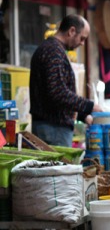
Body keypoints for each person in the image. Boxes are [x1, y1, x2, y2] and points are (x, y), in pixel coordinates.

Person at [29, 14, 103, 147]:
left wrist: (83, 115)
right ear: (72, 31)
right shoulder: (53, 52)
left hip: (52, 128)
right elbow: (57, 92)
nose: (82, 43)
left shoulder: (54, 50)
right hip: (53, 130)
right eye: (82, 38)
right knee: (57, 168)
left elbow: (55, 95)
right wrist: (90, 106)